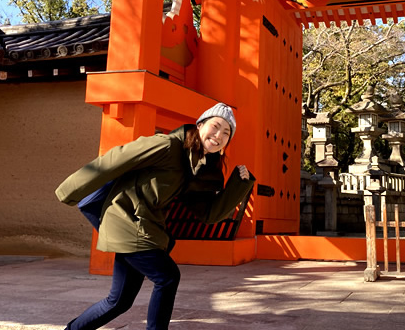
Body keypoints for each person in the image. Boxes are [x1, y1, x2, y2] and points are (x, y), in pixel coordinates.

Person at [55, 102, 255, 330]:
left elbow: (209, 215)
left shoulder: (198, 167)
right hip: (127, 220)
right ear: (200, 125)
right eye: (215, 126)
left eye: (226, 133)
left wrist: (239, 185)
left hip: (144, 228)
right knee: (168, 277)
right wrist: (68, 191)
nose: (219, 135)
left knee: (119, 301)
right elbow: (115, 160)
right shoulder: (167, 146)